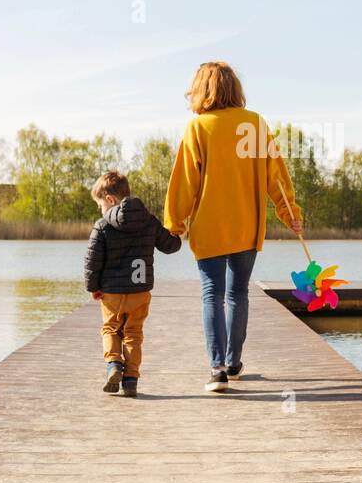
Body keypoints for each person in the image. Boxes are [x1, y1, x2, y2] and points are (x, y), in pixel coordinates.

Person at [164, 61, 302, 393]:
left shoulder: (198, 127)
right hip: (246, 225)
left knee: (212, 294)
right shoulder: (255, 124)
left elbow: (184, 181)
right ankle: (234, 362)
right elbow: (277, 179)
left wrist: (174, 223)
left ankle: (217, 370)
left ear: (201, 90)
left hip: (209, 227)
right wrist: (289, 212)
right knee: (237, 294)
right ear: (234, 88)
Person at [84, 170, 181, 397]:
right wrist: (177, 230)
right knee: (134, 334)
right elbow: (170, 246)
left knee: (110, 329)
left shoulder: (103, 225)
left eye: (100, 204)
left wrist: (93, 287)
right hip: (140, 291)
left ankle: (114, 365)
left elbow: (92, 260)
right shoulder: (148, 221)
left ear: (110, 200)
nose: (101, 210)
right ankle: (130, 381)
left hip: (112, 293)